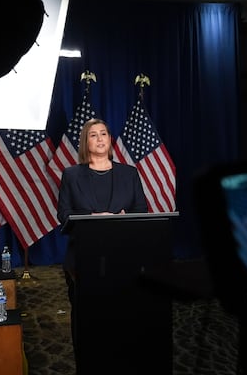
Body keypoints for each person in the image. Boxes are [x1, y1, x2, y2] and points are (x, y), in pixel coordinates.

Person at [56, 118, 148, 367]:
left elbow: (142, 210)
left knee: (121, 316)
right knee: (87, 319)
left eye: (104, 134)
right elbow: (64, 216)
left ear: (110, 139)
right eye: (93, 135)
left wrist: (124, 218)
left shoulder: (129, 173)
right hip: (83, 259)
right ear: (86, 142)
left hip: (122, 257)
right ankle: (86, 362)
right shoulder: (71, 175)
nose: (99, 139)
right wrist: (93, 218)